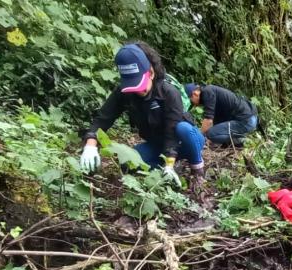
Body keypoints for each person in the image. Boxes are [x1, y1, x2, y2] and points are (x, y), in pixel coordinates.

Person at [79, 42, 205, 188]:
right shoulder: (124, 93)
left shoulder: (168, 92)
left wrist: (169, 162)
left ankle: (197, 169)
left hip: (185, 141)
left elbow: (172, 132)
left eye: (140, 84)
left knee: (183, 128)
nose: (138, 91)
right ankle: (167, 171)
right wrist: (90, 144)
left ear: (150, 73)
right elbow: (103, 118)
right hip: (157, 145)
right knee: (127, 163)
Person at [183, 83, 257, 146]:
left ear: (195, 94)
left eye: (190, 101)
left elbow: (208, 121)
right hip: (249, 118)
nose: (193, 104)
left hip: (246, 120)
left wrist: (197, 138)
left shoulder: (207, 92)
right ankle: (238, 141)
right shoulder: (210, 92)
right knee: (212, 133)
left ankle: (243, 140)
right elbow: (214, 123)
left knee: (211, 134)